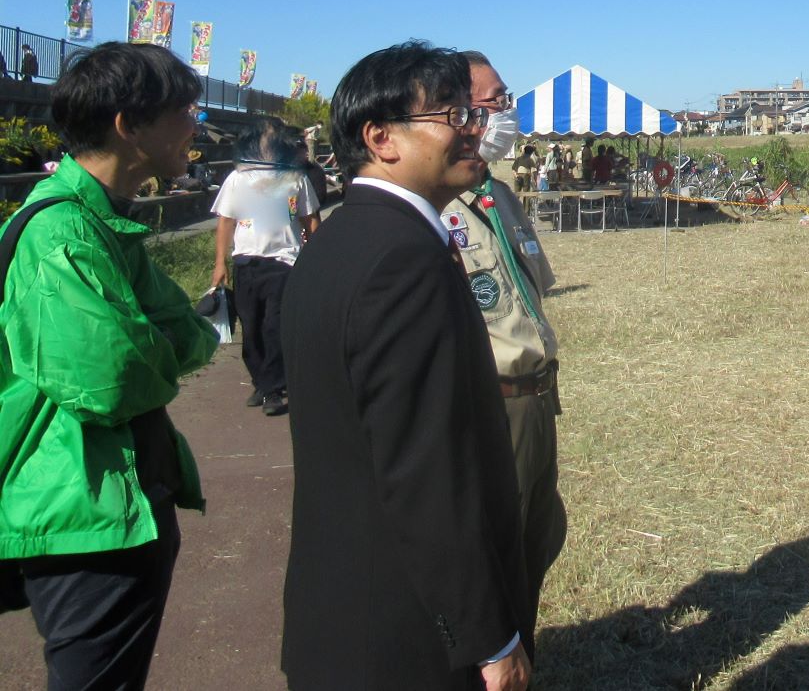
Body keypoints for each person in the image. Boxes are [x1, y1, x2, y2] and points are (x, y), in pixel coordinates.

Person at [280, 42, 531, 690]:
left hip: (344, 612)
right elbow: (426, 469)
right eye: (453, 116)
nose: (475, 130)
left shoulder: (340, 239)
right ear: (381, 137)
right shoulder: (402, 260)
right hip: (404, 638)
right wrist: (489, 636)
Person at [0, 43, 219, 688]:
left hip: (112, 499)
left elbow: (186, 331)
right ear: (129, 125)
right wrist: (150, 345)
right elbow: (110, 379)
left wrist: (146, 341)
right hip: (87, 514)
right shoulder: (63, 231)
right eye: (184, 110)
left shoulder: (102, 222)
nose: (197, 126)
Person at [447, 51, 566, 627]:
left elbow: (530, 291)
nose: (506, 112)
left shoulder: (498, 195)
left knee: (536, 544)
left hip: (539, 397)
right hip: (493, 404)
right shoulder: (433, 207)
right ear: (459, 113)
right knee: (493, 555)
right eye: (495, 100)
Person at [210, 118, 320, 415]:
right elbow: (226, 222)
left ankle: (273, 389)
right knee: (252, 325)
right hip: (246, 261)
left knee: (275, 324)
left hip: (285, 261)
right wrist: (220, 263)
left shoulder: (295, 179)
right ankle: (261, 380)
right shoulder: (237, 180)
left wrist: (317, 256)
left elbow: (310, 219)